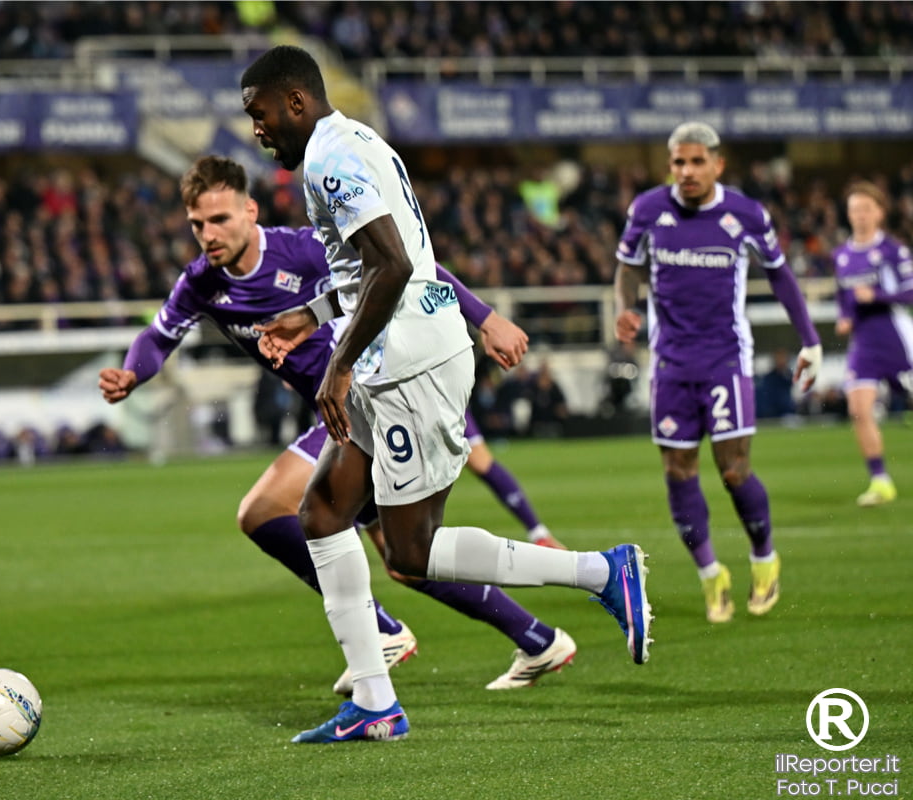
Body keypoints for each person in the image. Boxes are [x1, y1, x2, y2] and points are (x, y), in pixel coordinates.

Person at [241, 45, 650, 744]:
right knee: (323, 513)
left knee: (410, 552)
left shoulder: (332, 161)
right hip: (391, 356)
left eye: (260, 113)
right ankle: (375, 703)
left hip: (410, 365)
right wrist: (311, 314)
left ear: (296, 101)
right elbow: (371, 265)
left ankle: (600, 571)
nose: (256, 128)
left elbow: (394, 264)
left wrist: (337, 364)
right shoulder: (353, 142)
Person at [100, 155, 573, 696]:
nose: (209, 234)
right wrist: (132, 373)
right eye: (197, 224)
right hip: (341, 414)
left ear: (250, 211)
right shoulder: (201, 284)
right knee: (406, 557)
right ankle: (538, 639)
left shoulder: (302, 251)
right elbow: (158, 337)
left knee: (263, 510)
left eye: (220, 219)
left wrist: (484, 318)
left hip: (371, 399)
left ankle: (382, 631)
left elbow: (405, 265)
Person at [613, 121, 822, 625]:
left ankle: (764, 558)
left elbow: (779, 274)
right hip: (670, 364)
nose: (686, 171)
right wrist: (626, 307)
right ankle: (711, 575)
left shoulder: (746, 214)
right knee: (678, 470)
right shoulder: (647, 209)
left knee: (733, 470)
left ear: (717, 164)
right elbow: (628, 265)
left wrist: (811, 340)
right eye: (678, 162)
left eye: (696, 162)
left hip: (726, 360)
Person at [833, 181, 913, 507]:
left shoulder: (894, 251)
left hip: (897, 339)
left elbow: (910, 291)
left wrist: (876, 296)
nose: (860, 215)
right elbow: (843, 296)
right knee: (858, 409)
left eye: (866, 209)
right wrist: (845, 317)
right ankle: (880, 481)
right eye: (854, 209)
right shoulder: (841, 255)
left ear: (880, 212)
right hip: (864, 343)